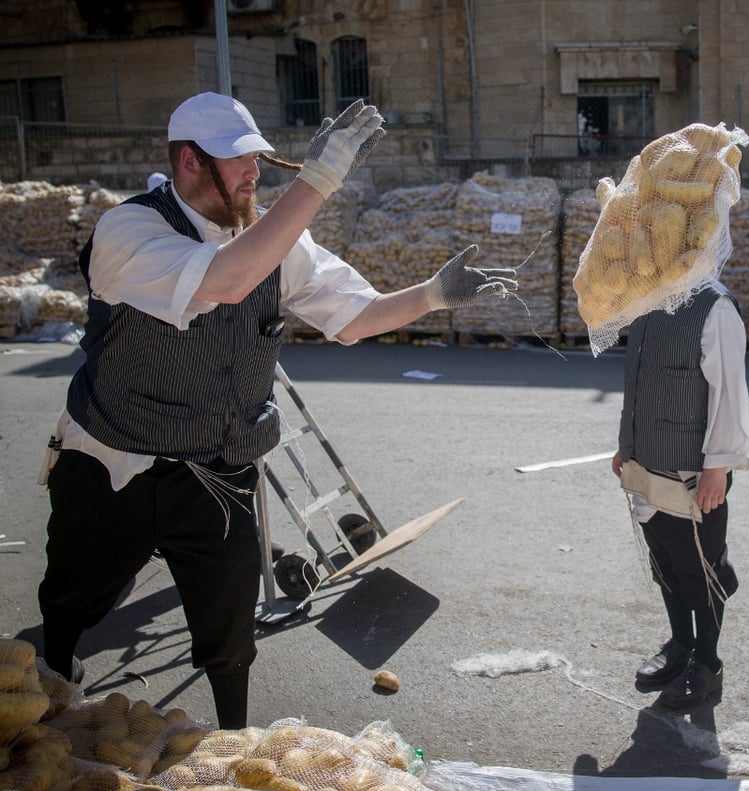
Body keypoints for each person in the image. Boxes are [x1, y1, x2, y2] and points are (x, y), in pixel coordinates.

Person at [36, 92, 518, 728]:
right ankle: (57, 673)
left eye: (258, 159)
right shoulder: (129, 231)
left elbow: (353, 319)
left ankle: (234, 743)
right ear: (187, 161)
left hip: (217, 472)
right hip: (113, 463)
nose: (253, 173)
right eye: (237, 161)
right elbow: (225, 279)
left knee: (230, 635)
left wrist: (431, 295)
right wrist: (319, 179)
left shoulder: (274, 240)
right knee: (72, 598)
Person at [611, 281, 749, 710]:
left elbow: (729, 392)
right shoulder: (646, 297)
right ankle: (681, 644)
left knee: (701, 570)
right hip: (646, 462)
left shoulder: (715, 307)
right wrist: (626, 443)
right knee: (666, 564)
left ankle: (707, 664)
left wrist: (718, 467)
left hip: (693, 470)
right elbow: (641, 379)